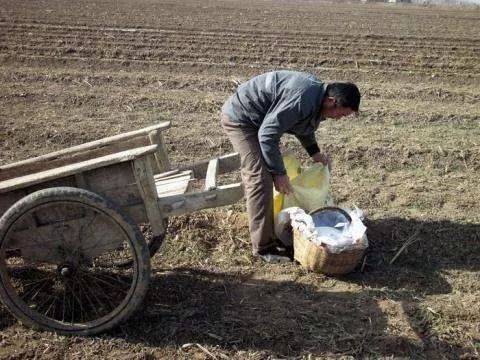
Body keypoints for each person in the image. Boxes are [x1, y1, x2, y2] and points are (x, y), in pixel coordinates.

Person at [220, 70, 360, 263]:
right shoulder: (303, 97)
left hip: (261, 122)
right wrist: (279, 173)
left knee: (271, 170)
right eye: (342, 114)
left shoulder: (316, 98)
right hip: (242, 119)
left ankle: (273, 229)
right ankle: (264, 247)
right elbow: (268, 134)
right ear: (331, 101)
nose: (340, 118)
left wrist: (315, 153)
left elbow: (303, 125)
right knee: (260, 178)